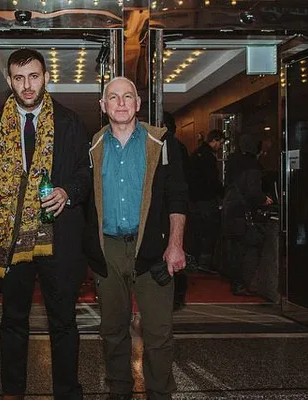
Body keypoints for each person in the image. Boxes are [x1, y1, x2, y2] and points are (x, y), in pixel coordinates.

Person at [0, 48, 99, 399]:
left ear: (46, 77)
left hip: (58, 239)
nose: (27, 85)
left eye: (34, 76)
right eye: (19, 78)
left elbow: (85, 172)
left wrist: (68, 191)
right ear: (10, 81)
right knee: (12, 321)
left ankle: (67, 392)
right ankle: (12, 392)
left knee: (63, 322)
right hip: (11, 239)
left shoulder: (69, 122)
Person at [90, 77, 188, 400]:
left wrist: (175, 244)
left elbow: (177, 197)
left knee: (159, 333)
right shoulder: (93, 147)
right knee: (112, 331)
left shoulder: (161, 143)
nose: (121, 103)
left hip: (153, 249)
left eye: (127, 96)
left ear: (138, 103)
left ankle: (160, 393)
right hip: (109, 249)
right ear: (103, 106)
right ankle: (119, 391)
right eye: (113, 97)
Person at [222, 134, 273, 296]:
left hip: (231, 209)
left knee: (234, 248)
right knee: (246, 249)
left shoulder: (232, 161)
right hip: (243, 212)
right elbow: (253, 192)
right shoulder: (253, 166)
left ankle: (236, 281)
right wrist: (264, 199)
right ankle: (242, 283)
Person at [163, 111, 190, 311]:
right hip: (171, 207)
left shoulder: (172, 146)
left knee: (175, 251)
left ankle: (176, 297)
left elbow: (179, 185)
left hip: (173, 209)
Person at [187, 129, 224, 273]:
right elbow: (212, 180)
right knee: (209, 232)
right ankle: (205, 263)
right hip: (206, 200)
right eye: (220, 143)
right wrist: (222, 193)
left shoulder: (196, 154)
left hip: (194, 199)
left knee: (196, 232)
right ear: (214, 140)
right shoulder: (208, 157)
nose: (220, 147)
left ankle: (195, 261)